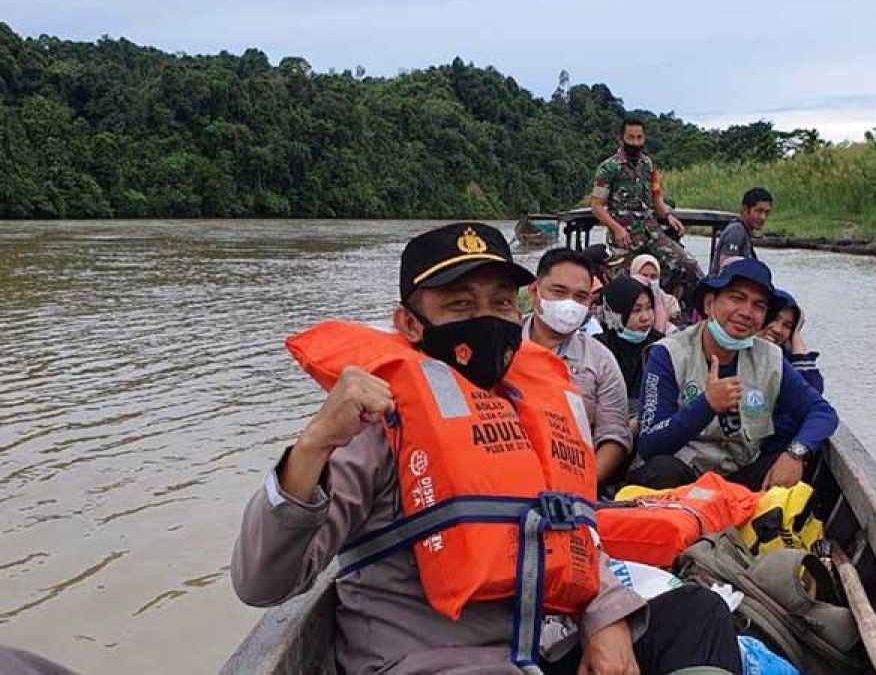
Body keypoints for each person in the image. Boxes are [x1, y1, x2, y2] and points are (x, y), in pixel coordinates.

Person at [230, 222, 742, 675]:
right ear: (409, 324)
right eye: (460, 304)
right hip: (437, 661)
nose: (487, 317)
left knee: (697, 617)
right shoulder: (377, 421)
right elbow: (261, 583)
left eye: (500, 302)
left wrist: (604, 618)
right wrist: (315, 441)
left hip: (543, 644)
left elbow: (576, 538)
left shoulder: (534, 404)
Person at [631, 259, 839, 491]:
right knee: (662, 469)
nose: (746, 313)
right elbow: (649, 443)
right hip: (683, 479)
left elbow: (822, 412)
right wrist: (706, 405)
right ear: (710, 304)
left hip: (738, 479)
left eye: (758, 306)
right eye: (736, 298)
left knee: (805, 462)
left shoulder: (770, 358)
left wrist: (796, 453)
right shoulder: (668, 353)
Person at [524, 247, 632, 485]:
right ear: (534, 291)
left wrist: (581, 486)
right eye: (559, 292)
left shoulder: (601, 360)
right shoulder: (502, 346)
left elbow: (614, 436)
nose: (569, 304)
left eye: (580, 297)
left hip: (574, 478)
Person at [590, 117, 703, 300]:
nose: (635, 142)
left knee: (688, 265)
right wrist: (616, 228)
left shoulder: (648, 165)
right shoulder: (608, 168)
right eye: (631, 137)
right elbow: (596, 206)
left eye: (639, 138)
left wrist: (668, 215)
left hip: (651, 232)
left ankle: (685, 312)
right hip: (624, 237)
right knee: (623, 290)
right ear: (621, 139)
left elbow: (656, 198)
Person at [593, 275, 664, 415]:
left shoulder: (660, 345)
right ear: (617, 313)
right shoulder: (598, 348)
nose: (645, 317)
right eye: (636, 310)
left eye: (649, 308)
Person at [759, 289, 825, 394]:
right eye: (775, 318)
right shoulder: (732, 352)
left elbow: (811, 396)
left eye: (788, 326)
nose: (777, 329)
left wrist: (798, 347)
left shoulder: (784, 363)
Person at [710, 187, 772, 275]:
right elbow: (725, 269)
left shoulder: (744, 232)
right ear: (745, 210)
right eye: (759, 211)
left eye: (766, 212)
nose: (763, 217)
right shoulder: (736, 232)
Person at [630, 253, 682, 333]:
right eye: (644, 275)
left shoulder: (670, 301)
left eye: (653, 276)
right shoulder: (626, 299)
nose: (648, 280)